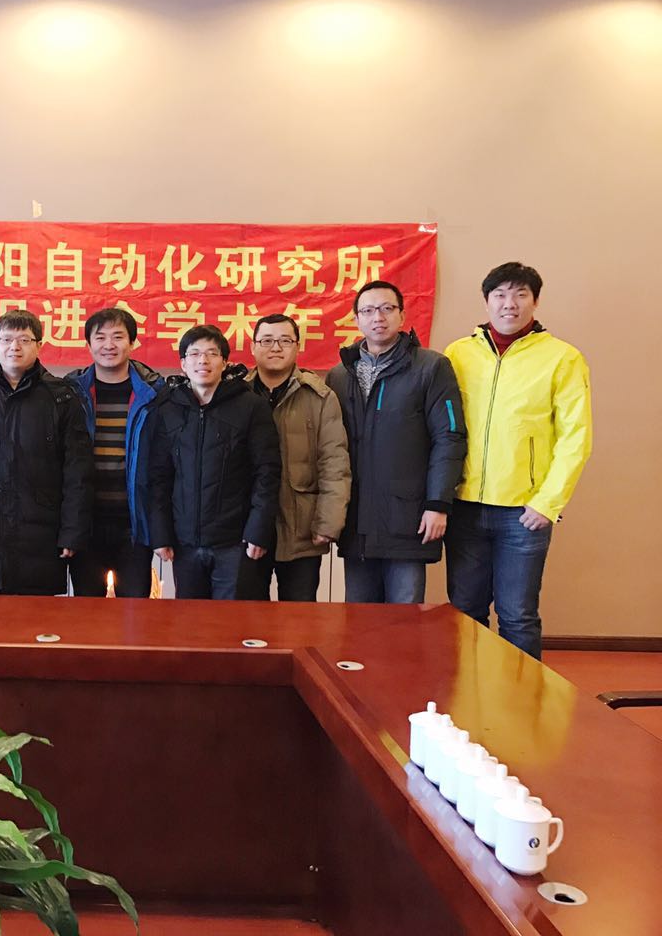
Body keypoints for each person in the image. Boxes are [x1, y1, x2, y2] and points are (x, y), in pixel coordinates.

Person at [443, 263, 592, 660]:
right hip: (465, 506)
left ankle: (520, 696)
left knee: (518, 616)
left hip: (524, 513)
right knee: (464, 611)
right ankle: (467, 690)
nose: (509, 304)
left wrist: (547, 502)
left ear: (535, 301)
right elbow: (443, 428)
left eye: (520, 294)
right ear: (486, 301)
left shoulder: (562, 358)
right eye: (500, 295)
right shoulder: (458, 354)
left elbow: (576, 437)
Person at [326, 280, 466, 604]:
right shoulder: (340, 375)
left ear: (402, 315)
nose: (378, 317)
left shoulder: (431, 367)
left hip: (409, 517)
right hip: (357, 521)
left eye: (387, 308)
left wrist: (438, 503)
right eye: (368, 310)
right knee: (358, 620)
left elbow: (449, 437)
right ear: (356, 320)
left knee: (405, 621)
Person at [0, 309, 93, 595]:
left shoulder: (60, 397)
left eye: (24, 340)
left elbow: (77, 471)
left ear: (39, 345)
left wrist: (72, 531)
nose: (14, 347)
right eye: (6, 339)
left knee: (36, 618)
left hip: (42, 531)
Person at [149, 325, 280, 600]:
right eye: (194, 354)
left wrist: (258, 530)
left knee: (232, 621)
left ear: (224, 362)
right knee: (190, 621)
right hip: (185, 542)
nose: (203, 360)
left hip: (235, 542)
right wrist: (161, 534)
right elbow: (159, 476)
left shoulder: (250, 406)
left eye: (211, 353)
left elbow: (267, 473)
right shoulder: (169, 408)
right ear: (183, 364)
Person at [236, 314, 351, 602]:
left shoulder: (320, 396)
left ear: (297, 346)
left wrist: (328, 523)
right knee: (247, 617)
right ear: (253, 347)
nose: (276, 347)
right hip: (246, 526)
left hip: (303, 529)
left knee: (299, 619)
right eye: (267, 340)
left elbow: (334, 463)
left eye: (285, 340)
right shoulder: (236, 394)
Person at [65, 307, 165, 598]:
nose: (109, 345)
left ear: (132, 343)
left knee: (135, 612)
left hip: (134, 525)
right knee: (87, 611)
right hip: (87, 523)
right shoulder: (70, 393)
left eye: (118, 337)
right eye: (100, 338)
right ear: (88, 345)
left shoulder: (154, 394)